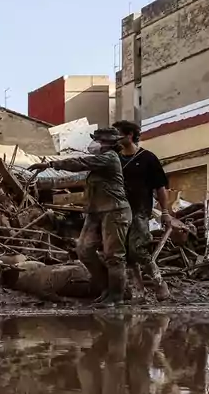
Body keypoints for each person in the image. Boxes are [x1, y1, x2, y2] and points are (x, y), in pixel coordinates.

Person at [31, 127, 132, 304]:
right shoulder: (100, 161)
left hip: (114, 211)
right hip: (96, 212)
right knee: (84, 250)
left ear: (108, 143)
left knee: (114, 256)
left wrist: (50, 164)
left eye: (99, 141)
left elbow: (80, 162)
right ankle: (106, 288)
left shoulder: (109, 158)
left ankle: (117, 296)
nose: (95, 144)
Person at [112, 120, 186, 301]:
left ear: (130, 135)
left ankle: (160, 283)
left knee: (138, 248)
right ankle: (138, 290)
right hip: (119, 211)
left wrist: (165, 212)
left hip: (140, 210)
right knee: (124, 252)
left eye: (118, 134)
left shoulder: (148, 158)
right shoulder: (113, 157)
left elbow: (160, 188)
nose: (115, 138)